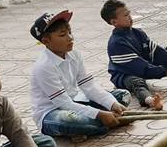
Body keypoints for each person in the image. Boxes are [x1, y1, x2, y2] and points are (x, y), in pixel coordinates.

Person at [30, 10, 131, 138]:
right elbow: (63, 103)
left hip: (76, 101)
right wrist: (99, 114)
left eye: (70, 32)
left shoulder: (74, 54)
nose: (70, 38)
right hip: (52, 113)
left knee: (122, 96)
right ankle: (94, 125)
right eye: (62, 35)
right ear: (46, 41)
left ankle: (90, 127)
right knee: (73, 121)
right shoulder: (44, 67)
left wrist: (112, 104)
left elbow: (89, 86)